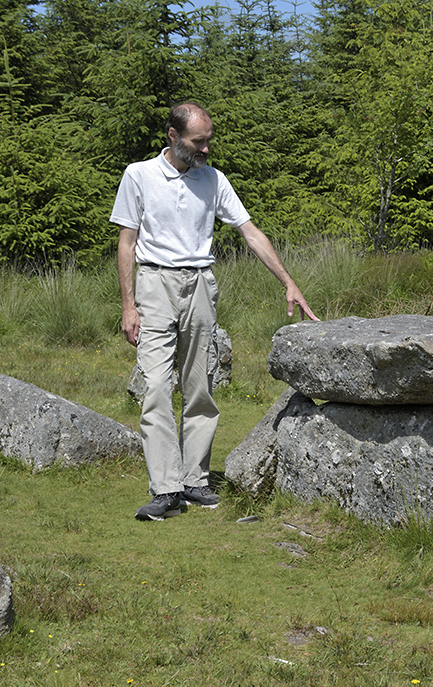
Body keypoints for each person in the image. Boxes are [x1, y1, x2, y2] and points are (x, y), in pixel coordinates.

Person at [111, 101, 318, 522]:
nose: (206, 149)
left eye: (209, 140)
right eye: (198, 142)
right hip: (155, 285)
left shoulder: (214, 180)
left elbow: (250, 233)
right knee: (154, 387)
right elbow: (127, 243)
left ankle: (194, 480)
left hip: (201, 285)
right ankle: (165, 489)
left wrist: (289, 282)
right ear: (173, 136)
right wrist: (128, 305)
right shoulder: (139, 175)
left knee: (199, 388)